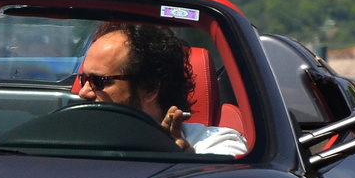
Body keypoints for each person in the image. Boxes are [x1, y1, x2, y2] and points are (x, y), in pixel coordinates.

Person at [76, 22, 247, 156]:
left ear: (149, 88)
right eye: (83, 80)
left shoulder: (217, 143)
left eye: (99, 81)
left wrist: (185, 163)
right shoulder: (68, 141)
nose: (83, 92)